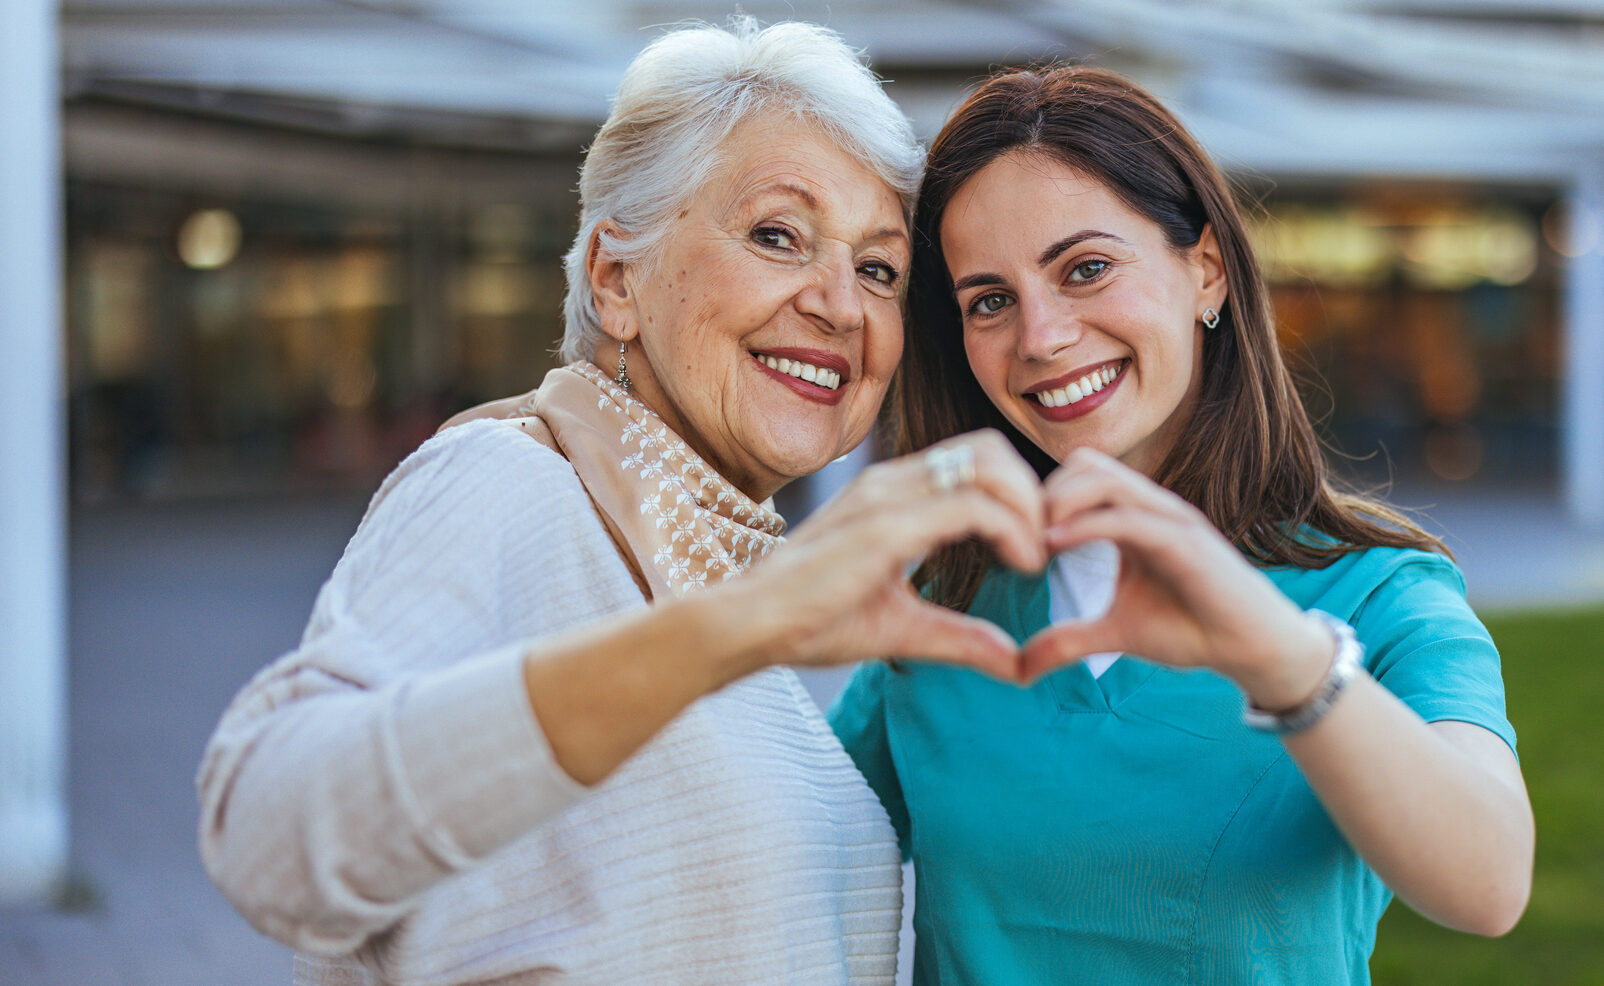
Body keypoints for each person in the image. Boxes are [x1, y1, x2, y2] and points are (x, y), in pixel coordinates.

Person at [197, 20, 1050, 986]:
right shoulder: (509, 478)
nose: (842, 305)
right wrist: (737, 625)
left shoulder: (721, 579)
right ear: (615, 280)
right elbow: (268, 840)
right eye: (778, 235)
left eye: (879, 269)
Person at [829, 65, 1534, 985]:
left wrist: (1275, 656)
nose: (1039, 336)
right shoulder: (941, 600)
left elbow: (1488, 886)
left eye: (1085, 268)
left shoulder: (1379, 593)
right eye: (989, 300)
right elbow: (766, 857)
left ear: (1205, 271)